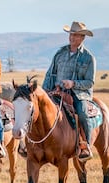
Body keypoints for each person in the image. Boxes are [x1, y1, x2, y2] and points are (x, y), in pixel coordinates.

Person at [42, 21, 96, 162]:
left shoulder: (88, 58)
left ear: (82, 38)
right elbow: (50, 74)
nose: (72, 37)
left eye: (77, 35)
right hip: (57, 91)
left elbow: (90, 82)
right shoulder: (60, 54)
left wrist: (73, 84)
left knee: (83, 113)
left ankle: (85, 145)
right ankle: (34, 143)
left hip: (79, 94)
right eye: (71, 34)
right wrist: (43, 92)